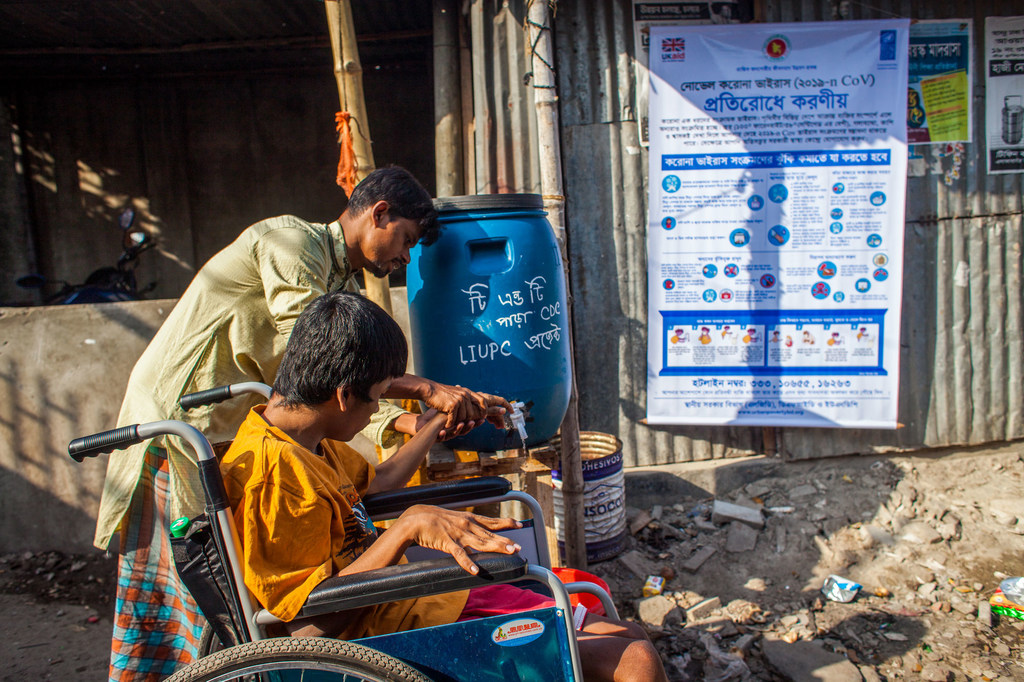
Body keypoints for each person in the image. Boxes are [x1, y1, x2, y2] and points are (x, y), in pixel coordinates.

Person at [95, 166, 510, 681]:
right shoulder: (289, 243)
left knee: (246, 579)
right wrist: (426, 389)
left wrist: (415, 425)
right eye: (404, 241)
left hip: (242, 426)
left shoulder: (341, 285)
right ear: (379, 213)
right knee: (193, 586)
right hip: (179, 420)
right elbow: (321, 359)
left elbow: (342, 388)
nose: (405, 258)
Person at [221, 291, 668, 682]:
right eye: (376, 398)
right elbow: (307, 626)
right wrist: (404, 529)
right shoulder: (275, 476)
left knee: (624, 634)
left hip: (413, 601)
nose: (376, 408)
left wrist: (432, 425)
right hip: (392, 634)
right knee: (633, 658)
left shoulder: (306, 440)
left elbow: (377, 484)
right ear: (342, 394)